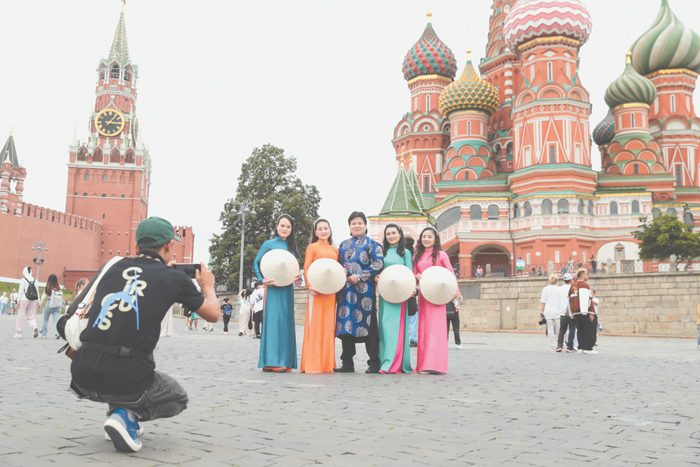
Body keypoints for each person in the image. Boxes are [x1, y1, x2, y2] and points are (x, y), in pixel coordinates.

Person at [69, 216, 219, 453]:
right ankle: (127, 415)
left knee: (117, 357)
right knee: (178, 398)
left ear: (137, 247)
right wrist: (207, 285)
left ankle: (119, 417)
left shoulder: (112, 268)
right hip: (127, 376)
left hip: (82, 374)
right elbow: (213, 315)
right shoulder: (174, 278)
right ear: (169, 246)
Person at [334, 211, 383, 373]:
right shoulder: (343, 245)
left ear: (365, 225)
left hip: (365, 293)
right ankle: (347, 363)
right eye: (353, 223)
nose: (356, 226)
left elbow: (378, 264)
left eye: (359, 223)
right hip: (345, 293)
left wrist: (360, 276)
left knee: (370, 327)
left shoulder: (372, 245)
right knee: (345, 327)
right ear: (349, 226)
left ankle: (374, 362)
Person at [253, 214, 301, 372]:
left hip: (287, 288)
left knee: (285, 323)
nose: (285, 229)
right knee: (273, 323)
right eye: (282, 226)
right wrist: (261, 280)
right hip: (273, 288)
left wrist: (298, 275)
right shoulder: (269, 244)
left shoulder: (292, 247)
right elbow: (256, 262)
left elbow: (294, 268)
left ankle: (284, 361)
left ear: (291, 229)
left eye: (288, 227)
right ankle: (271, 361)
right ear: (276, 226)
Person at [413, 226, 461, 375]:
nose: (426, 239)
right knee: (424, 329)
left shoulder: (441, 255)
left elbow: (450, 273)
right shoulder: (417, 256)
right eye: (424, 236)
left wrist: (456, 290)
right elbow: (414, 274)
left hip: (438, 297)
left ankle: (436, 365)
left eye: (429, 236)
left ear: (435, 239)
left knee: (437, 329)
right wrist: (416, 277)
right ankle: (423, 365)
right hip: (424, 296)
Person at [301, 218, 339, 374]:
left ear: (330, 230)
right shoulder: (312, 247)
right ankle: (313, 362)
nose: (324, 231)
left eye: (326, 228)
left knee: (328, 327)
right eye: (320, 229)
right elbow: (306, 267)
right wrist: (309, 286)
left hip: (330, 292)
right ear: (315, 232)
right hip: (316, 291)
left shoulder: (335, 250)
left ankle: (326, 363)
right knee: (315, 326)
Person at [376, 223, 412, 374]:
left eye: (394, 233)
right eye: (388, 234)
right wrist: (376, 276)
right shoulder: (381, 252)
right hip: (385, 294)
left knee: (394, 327)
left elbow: (410, 273)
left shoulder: (405, 252)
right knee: (384, 327)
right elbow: (377, 270)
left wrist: (411, 289)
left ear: (400, 234)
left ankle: (392, 364)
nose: (391, 236)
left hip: (399, 295)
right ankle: (384, 360)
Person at [568, 268, 597, 354]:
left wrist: (571, 311)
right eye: (587, 273)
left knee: (580, 329)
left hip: (576, 311)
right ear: (582, 275)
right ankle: (588, 348)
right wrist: (591, 312)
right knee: (588, 329)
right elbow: (587, 299)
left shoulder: (573, 285)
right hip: (584, 311)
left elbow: (569, 298)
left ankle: (581, 347)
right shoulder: (584, 285)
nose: (588, 275)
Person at [13, 267, 39, 339]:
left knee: (20, 316)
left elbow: (21, 291)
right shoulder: (35, 280)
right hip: (33, 300)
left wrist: (18, 301)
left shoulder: (23, 280)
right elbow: (37, 292)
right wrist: (39, 302)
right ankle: (34, 327)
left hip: (24, 300)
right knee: (31, 316)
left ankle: (19, 333)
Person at [38, 274, 63, 339]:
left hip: (50, 304)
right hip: (57, 306)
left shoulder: (47, 288)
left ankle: (44, 334)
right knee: (56, 320)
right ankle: (57, 333)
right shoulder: (58, 288)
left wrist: (40, 304)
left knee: (45, 319)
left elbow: (43, 296)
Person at [556, 273, 576, 353]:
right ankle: (569, 346)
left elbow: (557, 300)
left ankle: (559, 345)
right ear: (571, 280)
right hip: (571, 312)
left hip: (562, 312)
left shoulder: (559, 289)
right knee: (572, 329)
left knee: (562, 329)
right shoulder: (573, 288)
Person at [540, 275, 561, 351]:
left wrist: (542, 312)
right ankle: (560, 344)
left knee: (550, 329)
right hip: (557, 311)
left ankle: (553, 345)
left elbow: (543, 302)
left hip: (548, 311)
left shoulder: (545, 289)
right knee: (559, 329)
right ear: (556, 281)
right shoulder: (559, 289)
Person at [405, 237, 418, 348]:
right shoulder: (415, 257)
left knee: (404, 321)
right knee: (413, 321)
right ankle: (413, 339)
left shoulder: (402, 255)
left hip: (402, 292)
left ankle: (404, 339)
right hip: (412, 295)